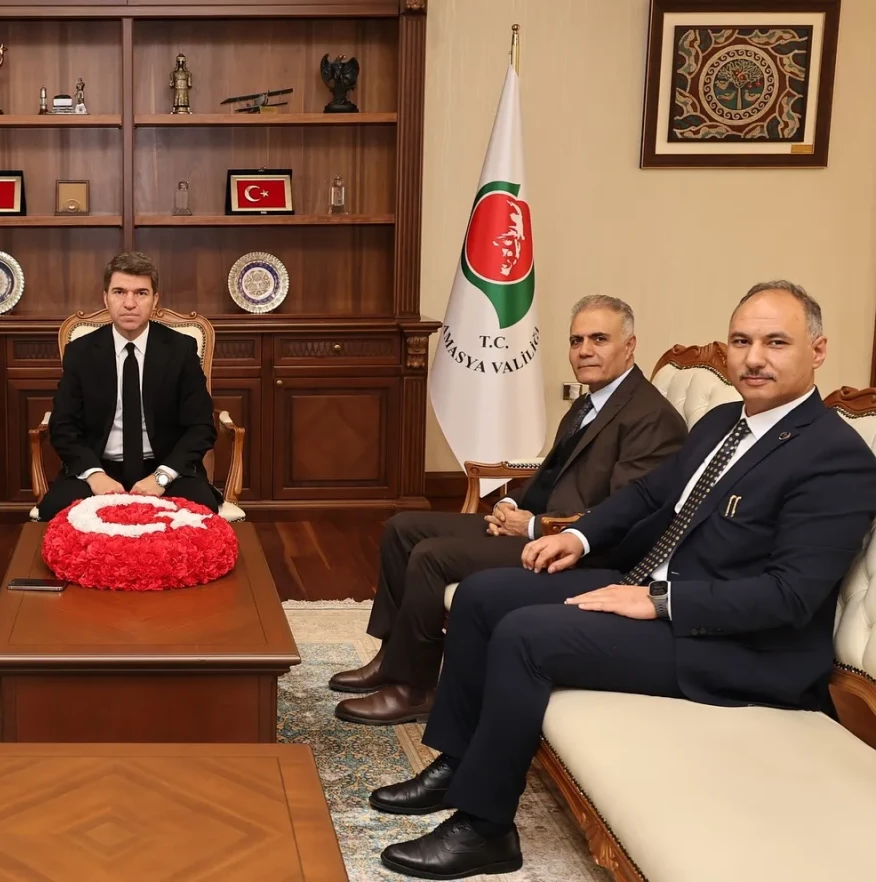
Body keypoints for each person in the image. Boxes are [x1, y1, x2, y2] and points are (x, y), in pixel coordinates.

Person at [369, 281, 876, 880]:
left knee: (526, 637)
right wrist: (577, 537)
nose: (754, 358)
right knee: (483, 595)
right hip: (649, 585)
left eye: (776, 342)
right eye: (741, 341)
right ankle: (459, 762)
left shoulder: (835, 458)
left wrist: (659, 600)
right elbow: (648, 494)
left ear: (817, 350)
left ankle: (485, 829)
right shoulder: (722, 422)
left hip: (737, 646)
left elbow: (789, 597)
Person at [331, 295, 687, 725]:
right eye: (576, 340)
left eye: (599, 339)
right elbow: (550, 473)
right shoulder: (590, 402)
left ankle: (414, 690)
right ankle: (393, 658)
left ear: (629, 346)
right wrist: (510, 503)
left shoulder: (652, 417)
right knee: (403, 528)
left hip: (575, 551)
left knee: (432, 555)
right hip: (536, 529)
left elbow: (627, 514)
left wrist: (534, 527)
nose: (584, 351)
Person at [37, 251, 219, 520]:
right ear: (106, 298)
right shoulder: (81, 352)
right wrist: (94, 475)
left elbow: (201, 427)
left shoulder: (180, 350)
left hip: (166, 468)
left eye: (141, 293)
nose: (130, 303)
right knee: (55, 512)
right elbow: (63, 426)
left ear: (155, 300)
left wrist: (161, 477)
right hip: (98, 466)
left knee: (202, 512)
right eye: (119, 292)